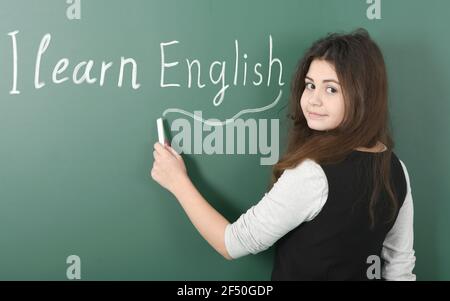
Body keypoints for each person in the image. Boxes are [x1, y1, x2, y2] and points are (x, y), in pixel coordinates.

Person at [150, 28, 416, 281]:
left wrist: (177, 181)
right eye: (310, 85)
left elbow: (230, 243)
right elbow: (399, 267)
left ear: (363, 96)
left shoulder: (313, 175)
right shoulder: (395, 167)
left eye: (331, 89)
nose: (313, 99)